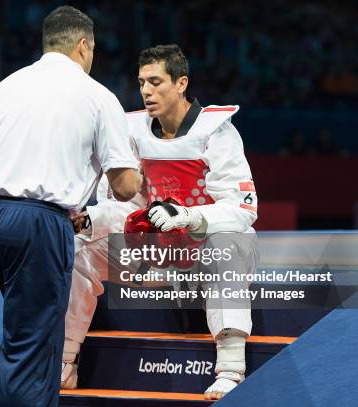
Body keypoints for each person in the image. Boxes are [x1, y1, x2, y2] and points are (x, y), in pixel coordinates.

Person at [0, 6, 141, 407]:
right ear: (84, 46)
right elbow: (124, 188)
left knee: (32, 327)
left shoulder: (2, 89)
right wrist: (144, 176)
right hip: (37, 223)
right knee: (32, 342)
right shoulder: (97, 96)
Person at [61, 44, 258, 401]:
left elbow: (243, 209)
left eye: (156, 81)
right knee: (80, 250)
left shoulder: (216, 131)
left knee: (230, 244)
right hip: (159, 253)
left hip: (206, 251)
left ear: (181, 83)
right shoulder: (132, 128)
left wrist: (189, 215)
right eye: (141, 83)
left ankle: (231, 369)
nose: (146, 91)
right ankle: (64, 360)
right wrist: (92, 218)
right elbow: (125, 206)